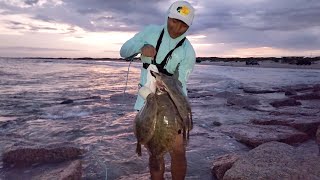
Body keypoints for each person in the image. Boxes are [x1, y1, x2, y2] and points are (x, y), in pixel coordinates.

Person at [120, 1, 196, 179]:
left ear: (189, 26)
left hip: (171, 106)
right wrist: (141, 48)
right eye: (174, 21)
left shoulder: (188, 52)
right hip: (146, 102)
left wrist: (183, 114)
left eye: (183, 24)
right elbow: (123, 51)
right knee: (155, 153)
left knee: (178, 150)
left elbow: (181, 84)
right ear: (167, 17)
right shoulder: (150, 32)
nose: (177, 28)